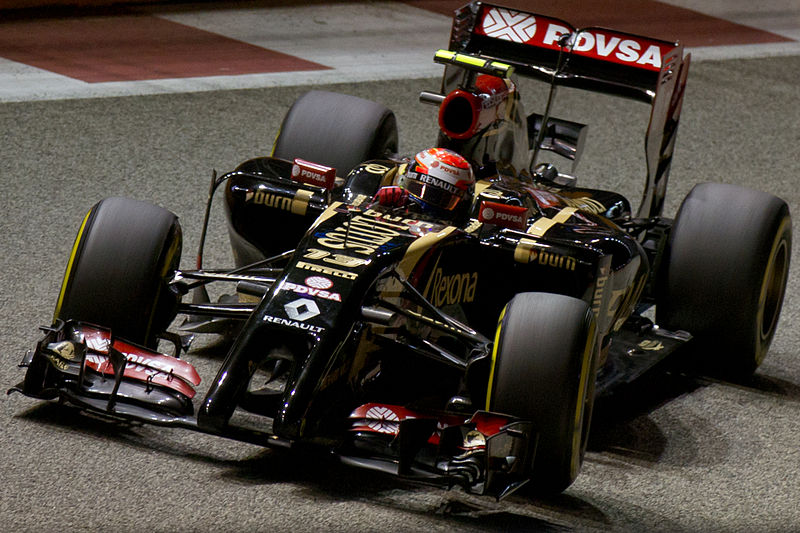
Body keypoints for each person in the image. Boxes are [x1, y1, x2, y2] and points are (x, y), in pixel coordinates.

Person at [371, 148, 475, 220]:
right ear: (403, 181)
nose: (424, 205)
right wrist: (375, 208)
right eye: (418, 189)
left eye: (438, 198)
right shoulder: (392, 200)